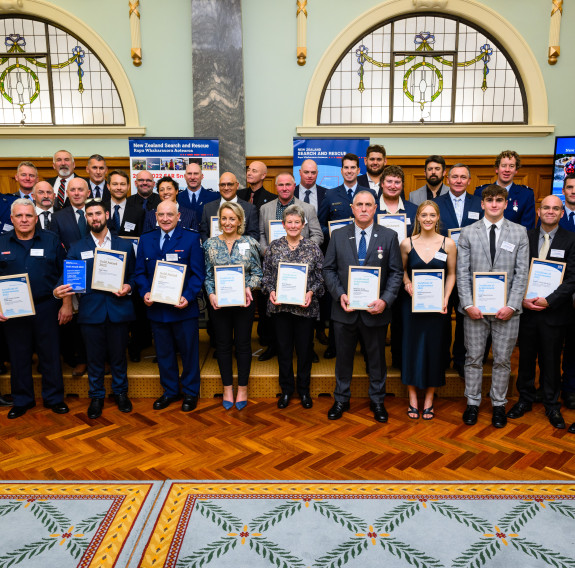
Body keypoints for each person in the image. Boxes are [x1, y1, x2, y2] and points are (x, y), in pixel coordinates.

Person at [323, 189, 403, 422]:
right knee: (343, 359)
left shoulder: (389, 236)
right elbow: (328, 269)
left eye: (369, 204)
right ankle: (341, 399)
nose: (364, 208)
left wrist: (385, 300)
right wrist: (339, 294)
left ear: (375, 208)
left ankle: (378, 401)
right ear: (352, 208)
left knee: (377, 360)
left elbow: (397, 273)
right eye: (360, 204)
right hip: (344, 310)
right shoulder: (337, 235)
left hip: (375, 312)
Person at [54, 199, 135, 419]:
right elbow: (67, 278)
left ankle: (120, 393)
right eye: (90, 215)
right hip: (91, 312)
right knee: (94, 358)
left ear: (106, 215)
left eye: (98, 213)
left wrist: (128, 286)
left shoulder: (124, 245)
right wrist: (58, 291)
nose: (94, 218)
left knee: (119, 356)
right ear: (86, 218)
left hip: (118, 309)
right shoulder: (78, 248)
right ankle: (96, 396)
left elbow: (135, 276)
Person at [457, 184, 529, 428]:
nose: (494, 204)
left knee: (502, 360)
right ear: (482, 203)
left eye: (499, 200)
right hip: (474, 310)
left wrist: (512, 305)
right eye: (490, 200)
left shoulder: (519, 233)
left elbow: (522, 274)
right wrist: (467, 304)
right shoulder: (467, 232)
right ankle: (473, 403)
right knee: (474, 357)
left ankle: (498, 404)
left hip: (506, 312)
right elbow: (462, 273)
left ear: (506, 203)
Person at [505, 196, 575, 430]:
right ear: (538, 211)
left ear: (562, 213)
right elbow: (514, 270)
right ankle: (524, 399)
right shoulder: (525, 237)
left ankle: (551, 404)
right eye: (546, 207)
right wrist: (521, 300)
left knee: (551, 360)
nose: (550, 211)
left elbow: (572, 279)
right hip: (526, 311)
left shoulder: (571, 240)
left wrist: (549, 300)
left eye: (556, 208)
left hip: (554, 312)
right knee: (525, 359)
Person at [0, 199, 72, 418]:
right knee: (18, 355)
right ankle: (22, 400)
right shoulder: (2, 242)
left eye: (28, 216)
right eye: (19, 216)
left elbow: (66, 271)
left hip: (46, 306)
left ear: (36, 218)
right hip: (14, 309)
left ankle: (54, 398)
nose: (24, 220)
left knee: (50, 354)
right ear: (11, 219)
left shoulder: (51, 240)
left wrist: (67, 303)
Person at [135, 200, 204, 412]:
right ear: (155, 216)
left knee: (189, 353)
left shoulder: (192, 238)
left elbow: (198, 274)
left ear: (178, 216)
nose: (165, 219)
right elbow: (139, 273)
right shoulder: (146, 239)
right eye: (161, 215)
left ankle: (191, 393)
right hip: (158, 310)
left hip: (183, 308)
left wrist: (188, 296)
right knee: (164, 353)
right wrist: (144, 292)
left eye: (170, 215)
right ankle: (170, 391)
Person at [262, 204, 325, 409]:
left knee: (305, 350)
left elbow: (320, 278)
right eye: (289, 222)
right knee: (284, 349)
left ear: (303, 224)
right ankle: (287, 390)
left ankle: (304, 391)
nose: (293, 225)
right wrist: (270, 290)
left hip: (304, 308)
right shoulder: (274, 247)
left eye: (297, 222)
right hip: (280, 309)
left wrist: (311, 292)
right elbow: (267, 277)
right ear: (283, 224)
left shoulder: (312, 248)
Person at [258, 172, 323, 362]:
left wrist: (304, 252)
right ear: (275, 186)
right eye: (281, 185)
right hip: (276, 264)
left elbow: (318, 235)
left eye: (288, 184)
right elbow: (261, 233)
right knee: (279, 323)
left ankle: (307, 350)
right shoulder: (265, 208)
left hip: (304, 269)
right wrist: (267, 251)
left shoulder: (308, 208)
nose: (284, 188)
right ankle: (274, 347)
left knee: (303, 331)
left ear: (294, 186)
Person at [400, 200, 456, 419]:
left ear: (438, 218)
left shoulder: (448, 244)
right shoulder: (406, 243)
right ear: (418, 218)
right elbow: (402, 271)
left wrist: (446, 298)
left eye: (432, 215)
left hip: (437, 306)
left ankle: (430, 398)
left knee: (435, 349)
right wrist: (406, 283)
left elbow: (451, 273)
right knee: (411, 348)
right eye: (424, 215)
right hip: (411, 305)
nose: (428, 219)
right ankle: (413, 397)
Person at [203, 201, 262, 410]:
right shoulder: (210, 244)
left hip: (244, 303)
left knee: (244, 345)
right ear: (219, 220)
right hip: (219, 304)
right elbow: (208, 275)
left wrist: (249, 287)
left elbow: (258, 273)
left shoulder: (250, 243)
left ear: (239, 221)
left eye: (232, 218)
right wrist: (210, 294)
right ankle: (228, 387)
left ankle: (243, 388)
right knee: (223, 345)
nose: (228, 222)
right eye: (224, 218)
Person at [318, 153, 377, 360]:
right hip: (341, 255)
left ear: (358, 170)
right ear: (341, 171)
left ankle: (364, 346)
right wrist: (336, 234)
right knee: (340, 300)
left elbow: (375, 223)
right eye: (346, 167)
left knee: (364, 299)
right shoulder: (331, 194)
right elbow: (321, 224)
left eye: (353, 167)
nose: (350, 171)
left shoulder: (367, 194)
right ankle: (334, 345)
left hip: (365, 255)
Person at [436, 164, 483, 376]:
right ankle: (443, 358)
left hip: (471, 272)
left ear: (469, 181)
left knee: (465, 318)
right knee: (443, 317)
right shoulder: (436, 204)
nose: (458, 180)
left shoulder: (479, 204)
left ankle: (461, 360)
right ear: (447, 179)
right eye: (454, 176)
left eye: (463, 177)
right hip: (444, 271)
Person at [378, 165, 418, 369]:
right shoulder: (372, 207)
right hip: (377, 273)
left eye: (397, 182)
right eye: (389, 181)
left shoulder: (412, 210)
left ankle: (398, 360)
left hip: (405, 273)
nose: (393, 186)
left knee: (402, 320)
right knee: (377, 321)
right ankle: (375, 363)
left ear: (402, 185)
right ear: (382, 184)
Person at [294, 160, 329, 346]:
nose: (309, 175)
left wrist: (308, 249)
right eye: (306, 172)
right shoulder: (289, 192)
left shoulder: (327, 194)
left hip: (318, 252)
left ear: (317, 173)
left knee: (317, 291)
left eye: (313, 172)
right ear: (299, 172)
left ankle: (320, 329)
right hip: (290, 254)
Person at [474, 150, 535, 230]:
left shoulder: (526, 195)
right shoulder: (480, 192)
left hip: (514, 241)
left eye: (511, 166)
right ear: (497, 169)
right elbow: (475, 223)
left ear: (516, 170)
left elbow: (527, 228)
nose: (507, 170)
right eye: (503, 165)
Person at [200, 172, 259, 242]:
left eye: (230, 184)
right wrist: (211, 248)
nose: (226, 188)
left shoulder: (250, 209)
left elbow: (254, 235)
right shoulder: (208, 208)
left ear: (237, 186)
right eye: (222, 185)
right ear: (219, 187)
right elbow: (203, 233)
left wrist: (235, 248)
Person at [559, 174, 575, 410]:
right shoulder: (555, 216)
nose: (574, 191)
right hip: (557, 293)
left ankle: (570, 388)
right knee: (556, 345)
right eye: (570, 187)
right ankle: (562, 388)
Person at [107, 169, 145, 237]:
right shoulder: (101, 209)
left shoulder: (139, 211)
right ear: (108, 186)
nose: (119, 188)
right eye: (115, 184)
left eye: (122, 184)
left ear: (128, 187)